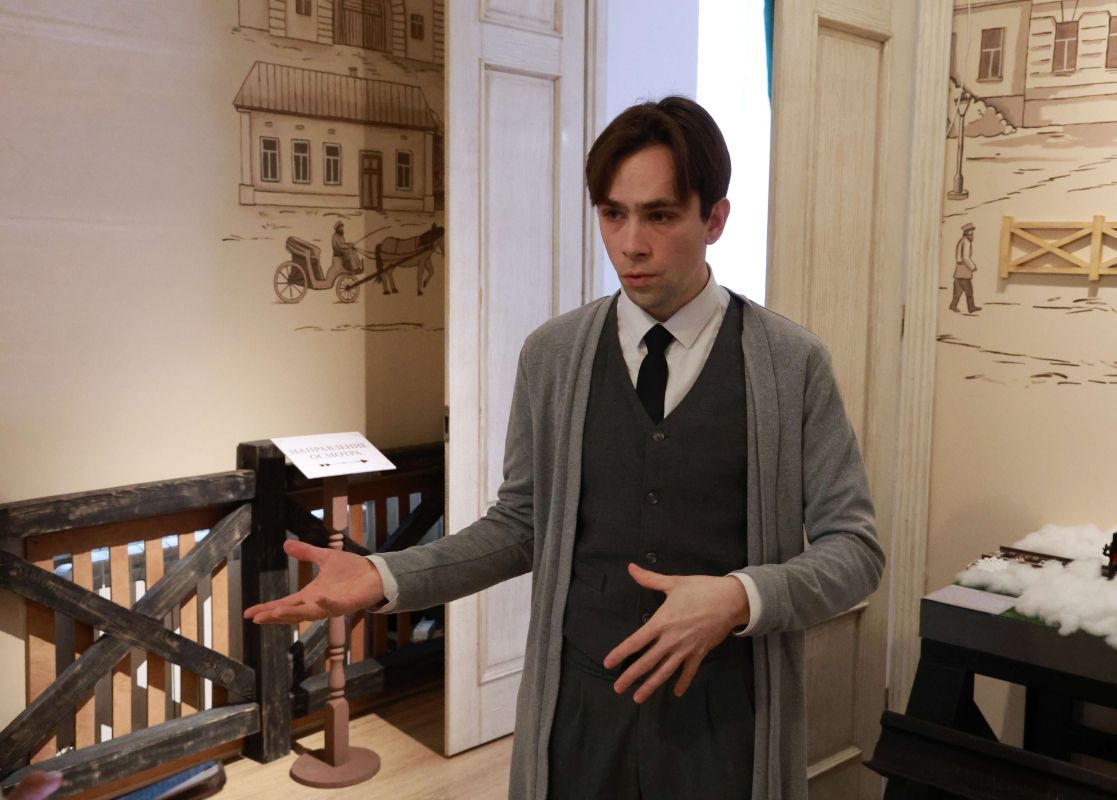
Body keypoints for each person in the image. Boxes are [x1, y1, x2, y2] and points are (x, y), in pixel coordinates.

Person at [246, 97, 884, 800]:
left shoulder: (791, 364)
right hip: (582, 708)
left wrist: (740, 597)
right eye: (613, 214)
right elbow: (521, 525)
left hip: (728, 716)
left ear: (715, 219)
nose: (630, 244)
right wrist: (386, 575)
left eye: (660, 216)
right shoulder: (552, 356)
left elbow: (854, 550)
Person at [950, 221, 981, 313]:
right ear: (967, 232)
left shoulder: (961, 240)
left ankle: (953, 306)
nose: (972, 234)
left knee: (957, 291)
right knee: (969, 291)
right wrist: (973, 267)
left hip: (958, 271)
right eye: (971, 232)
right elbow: (965, 257)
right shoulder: (966, 242)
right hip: (964, 271)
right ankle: (971, 308)